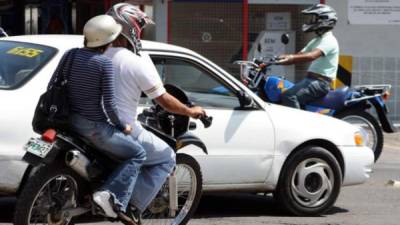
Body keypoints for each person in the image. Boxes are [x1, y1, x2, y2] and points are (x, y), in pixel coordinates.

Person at [105, 3, 206, 221]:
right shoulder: (133, 61)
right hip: (121, 128)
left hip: (86, 122)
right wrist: (190, 110)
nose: (140, 32)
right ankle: (131, 206)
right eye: (139, 26)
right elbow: (164, 100)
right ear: (131, 28)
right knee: (167, 156)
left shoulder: (93, 54)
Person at [48, 15, 146, 223]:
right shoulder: (104, 64)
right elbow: (109, 105)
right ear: (108, 41)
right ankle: (109, 196)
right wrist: (123, 125)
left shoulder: (71, 55)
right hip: (93, 128)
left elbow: (53, 85)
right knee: (137, 153)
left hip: (65, 122)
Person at [277, 4, 339, 109]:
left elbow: (311, 56)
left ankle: (296, 125)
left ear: (324, 19)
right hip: (310, 80)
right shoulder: (316, 40)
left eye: (315, 18)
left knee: (289, 96)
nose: (311, 21)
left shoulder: (329, 40)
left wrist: (291, 57)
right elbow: (299, 56)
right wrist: (277, 59)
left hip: (321, 83)